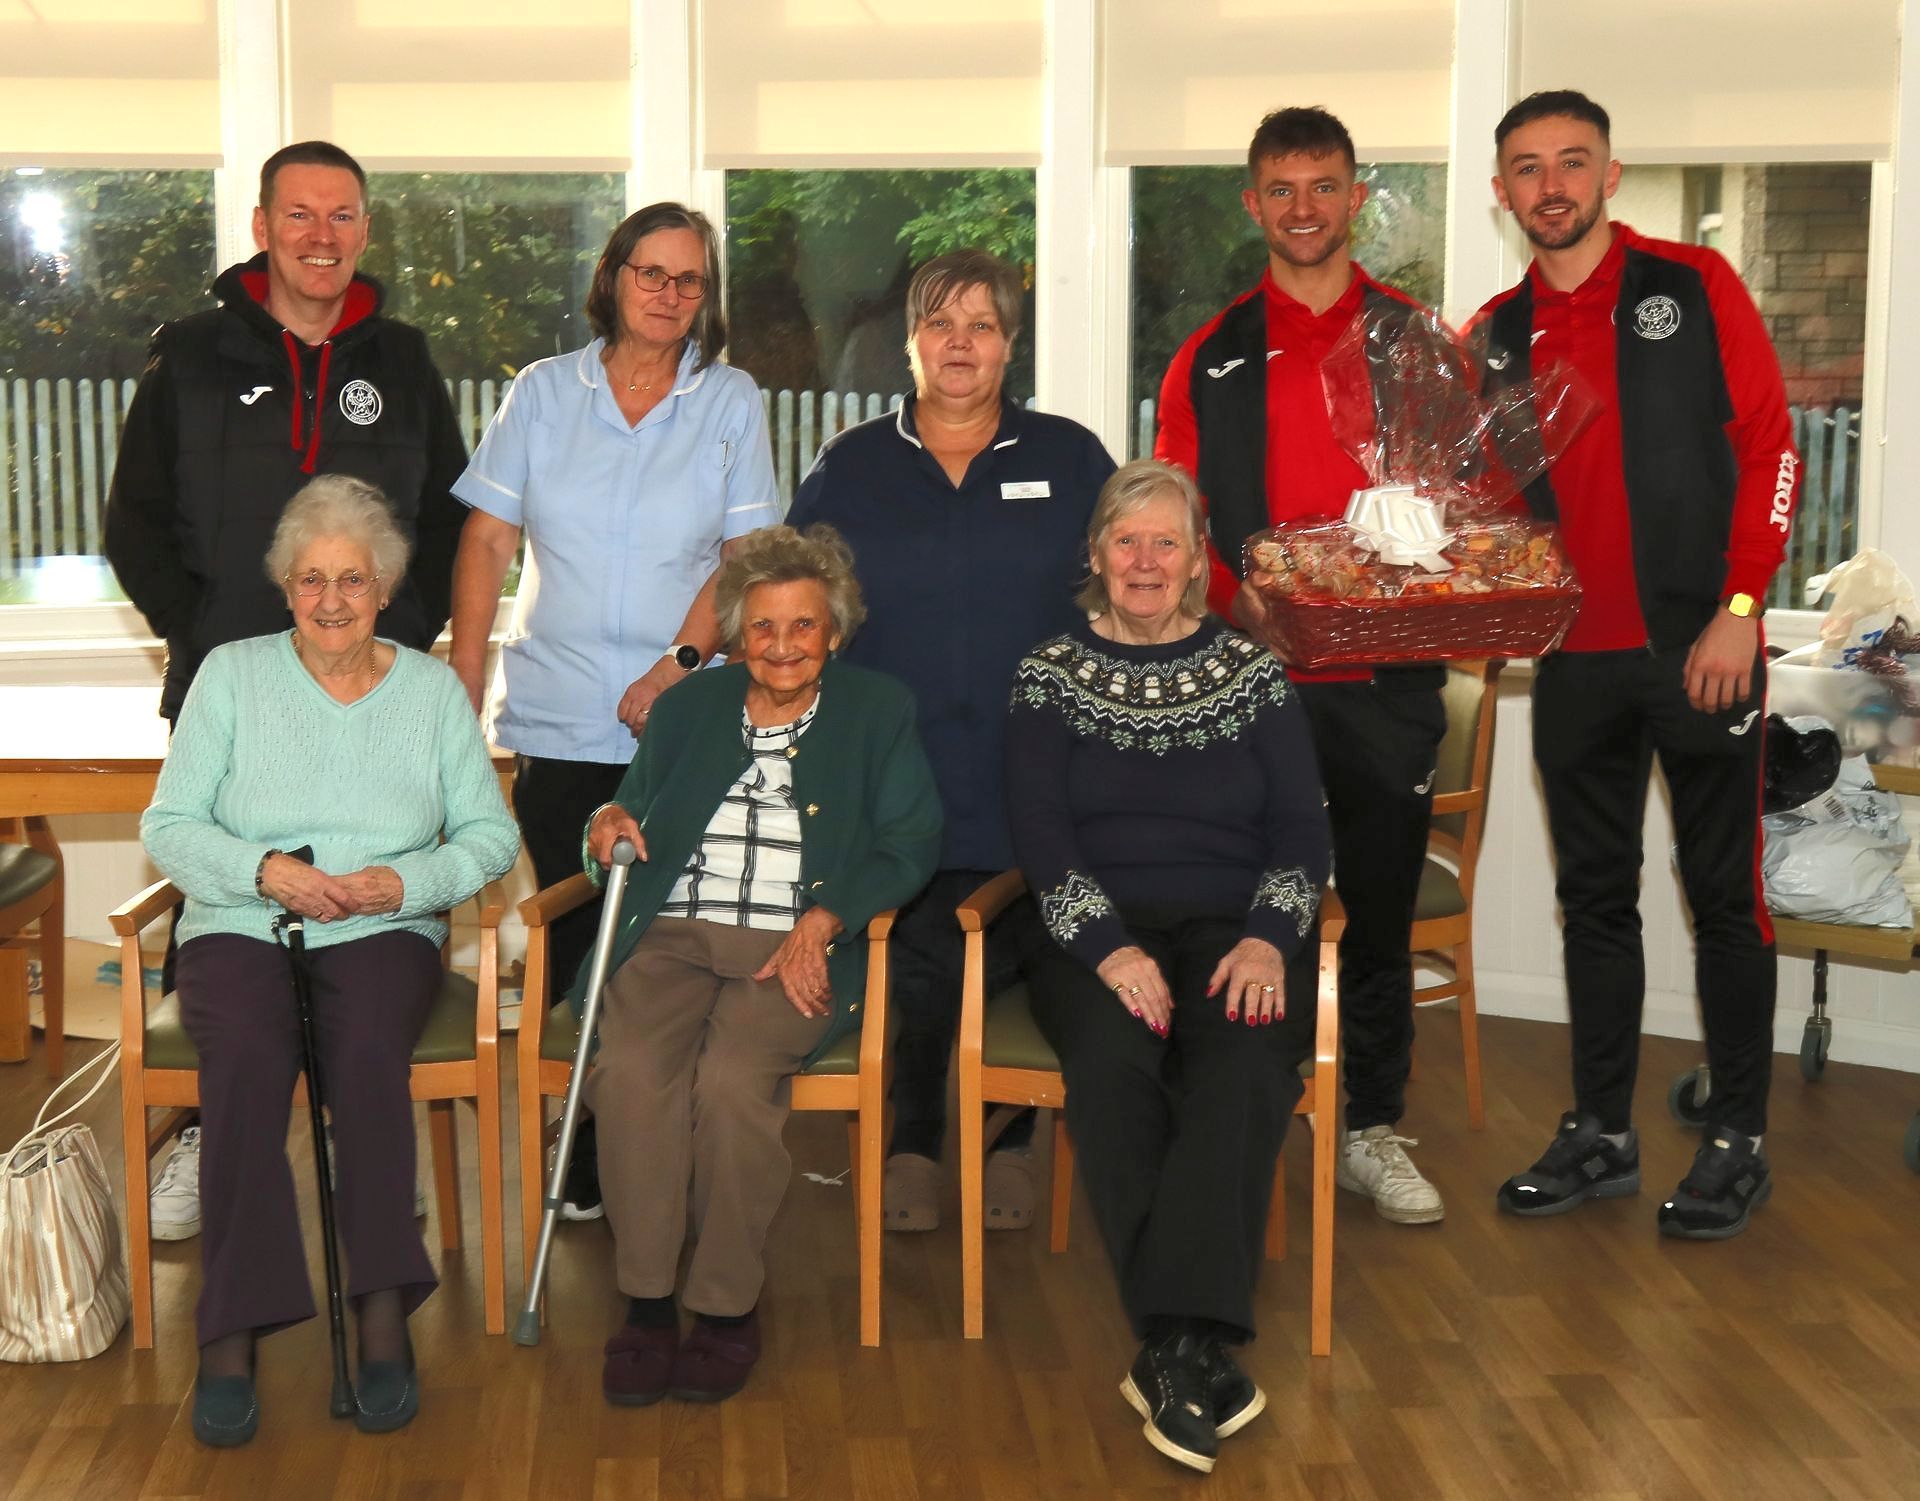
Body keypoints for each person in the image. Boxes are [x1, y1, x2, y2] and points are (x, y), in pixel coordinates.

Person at [105, 139, 470, 1245]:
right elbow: (137, 523)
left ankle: (374, 1135)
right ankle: (218, 1136)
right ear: (263, 226)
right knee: (225, 907)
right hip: (233, 683)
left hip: (371, 688)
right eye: (301, 215)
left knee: (375, 905)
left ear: (366, 229)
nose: (323, 235)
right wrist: (207, 638)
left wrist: (398, 638)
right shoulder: (192, 356)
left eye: (344, 215)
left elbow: (447, 520)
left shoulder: (403, 359)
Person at [1475, 91, 1798, 1238]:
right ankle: (1602, 1131)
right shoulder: (1495, 335)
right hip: (1573, 665)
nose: (1551, 184)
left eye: (1573, 162)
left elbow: (1770, 449)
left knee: (1725, 902)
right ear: (1503, 190)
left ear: (1611, 175)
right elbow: (1491, 507)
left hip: (1701, 649)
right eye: (1528, 168)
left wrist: (1743, 607)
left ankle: (1738, 1141)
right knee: (1594, 905)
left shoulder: (1693, 289)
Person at [140, 475, 519, 1447]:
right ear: (285, 586)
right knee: (247, 1064)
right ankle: (231, 1326)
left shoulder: (433, 693)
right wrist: (264, 869)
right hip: (240, 921)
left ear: (386, 584)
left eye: (353, 577)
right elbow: (170, 825)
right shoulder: (229, 674)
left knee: (363, 1062)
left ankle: (382, 1302)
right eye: (312, 579)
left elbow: (487, 840)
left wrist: (403, 884)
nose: (333, 599)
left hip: (383, 928)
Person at [448, 202, 780, 1218]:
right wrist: (458, 685)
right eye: (653, 273)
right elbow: (488, 545)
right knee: (571, 934)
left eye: (690, 280)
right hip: (557, 717)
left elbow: (745, 563)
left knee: (654, 941)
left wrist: (680, 665)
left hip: (682, 726)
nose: (671, 294)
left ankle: (646, 1125)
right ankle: (587, 1137)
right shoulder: (544, 396)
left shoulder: (729, 401)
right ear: (615, 276)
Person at [1005, 459, 1330, 1475]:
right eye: (1126, 540)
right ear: (1097, 555)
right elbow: (1043, 838)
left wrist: (1269, 936)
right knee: (1114, 1067)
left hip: (1235, 925)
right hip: (1089, 930)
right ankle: (1194, 1343)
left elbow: (1302, 833)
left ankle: (1171, 1345)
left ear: (1197, 564)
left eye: (1167, 543)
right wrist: (1110, 950)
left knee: (1240, 1061)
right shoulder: (1047, 674)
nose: (1145, 560)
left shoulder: (1254, 673)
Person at [1155, 106, 1448, 1224]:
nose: (1304, 209)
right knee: (1235, 909)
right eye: (1281, 189)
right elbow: (1180, 524)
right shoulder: (1213, 350)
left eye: (1323, 186)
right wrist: (1242, 604)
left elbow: (1461, 514)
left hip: (1385, 688)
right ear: (1253, 203)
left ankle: (1370, 1123)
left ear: (1355, 195)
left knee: (1373, 914)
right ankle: (1242, 1108)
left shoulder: (1415, 339)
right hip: (1246, 684)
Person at [787, 249, 1116, 1233]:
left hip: (1037, 771)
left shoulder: (1069, 457)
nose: (961, 342)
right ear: (910, 344)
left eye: (983, 324)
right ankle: (914, 1143)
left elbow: (1124, 597)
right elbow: (801, 606)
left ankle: (1013, 1135)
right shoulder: (854, 465)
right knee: (924, 951)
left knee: (1025, 946)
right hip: (901, 775)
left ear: (1012, 345)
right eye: (942, 323)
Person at [579, 524, 941, 1406]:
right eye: (764, 629)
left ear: (834, 633)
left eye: (803, 627)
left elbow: (912, 840)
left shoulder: (877, 709)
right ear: (738, 636)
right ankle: (649, 1296)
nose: (782, 647)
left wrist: (827, 917)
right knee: (628, 1072)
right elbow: (620, 821)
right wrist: (603, 833)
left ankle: (726, 1301)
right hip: (670, 932)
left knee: (736, 1082)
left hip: (793, 943)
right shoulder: (689, 707)